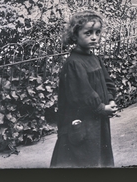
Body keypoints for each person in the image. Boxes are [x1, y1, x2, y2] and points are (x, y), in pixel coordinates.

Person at [51, 11, 118, 168]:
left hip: (98, 120)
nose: (94, 37)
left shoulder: (95, 59)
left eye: (97, 32)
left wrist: (111, 99)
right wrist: (101, 107)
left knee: (99, 153)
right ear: (75, 36)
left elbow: (107, 82)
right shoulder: (74, 63)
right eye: (88, 33)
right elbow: (81, 94)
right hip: (82, 122)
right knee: (82, 157)